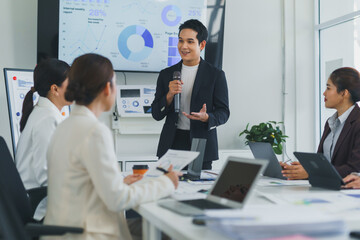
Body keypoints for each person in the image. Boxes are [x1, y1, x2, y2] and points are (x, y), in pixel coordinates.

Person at [43, 53, 180, 240]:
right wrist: (166, 183)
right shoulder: (94, 131)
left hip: (67, 230)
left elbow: (80, 183)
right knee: (170, 233)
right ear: (108, 88)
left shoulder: (64, 126)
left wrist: (119, 182)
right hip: (87, 233)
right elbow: (118, 200)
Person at [151, 19, 230, 170]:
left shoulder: (216, 75)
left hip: (201, 143)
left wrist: (207, 118)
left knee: (197, 191)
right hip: (172, 143)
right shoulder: (166, 74)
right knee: (168, 188)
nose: (183, 46)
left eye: (190, 41)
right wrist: (169, 95)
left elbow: (224, 112)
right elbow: (156, 113)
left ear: (202, 45)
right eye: (180, 41)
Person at [15, 59, 70, 220]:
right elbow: (47, 177)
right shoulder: (46, 119)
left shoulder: (44, 114)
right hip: (42, 210)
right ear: (55, 89)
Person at [282, 67, 360, 179]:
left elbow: (354, 169)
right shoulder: (330, 123)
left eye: (328, 88)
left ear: (344, 93)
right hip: (326, 187)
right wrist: (295, 170)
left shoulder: (358, 122)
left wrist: (311, 172)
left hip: (345, 192)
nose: (324, 93)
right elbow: (322, 163)